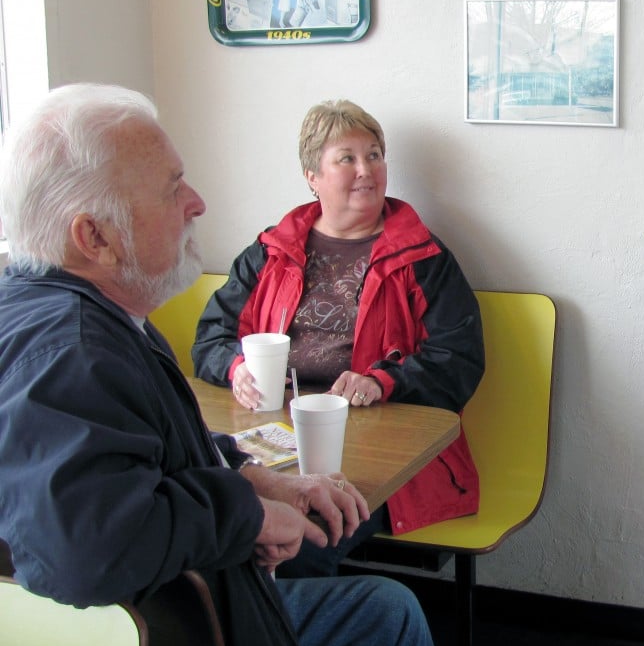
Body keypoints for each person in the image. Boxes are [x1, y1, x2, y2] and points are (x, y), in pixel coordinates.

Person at [0, 83, 479, 646]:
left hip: (207, 599)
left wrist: (249, 478)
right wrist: (246, 512)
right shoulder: (71, 353)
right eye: (171, 187)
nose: (197, 203)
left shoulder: (97, 320)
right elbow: (85, 545)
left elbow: (154, 465)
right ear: (94, 238)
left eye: (374, 155)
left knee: (387, 604)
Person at [192, 99, 484, 573]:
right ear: (312, 175)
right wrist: (235, 366)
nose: (366, 169)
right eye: (346, 158)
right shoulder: (271, 251)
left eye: (374, 154)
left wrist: (384, 380)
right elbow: (210, 337)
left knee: (296, 544)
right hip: (274, 432)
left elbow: (460, 359)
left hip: (376, 447)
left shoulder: (423, 256)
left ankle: (297, 634)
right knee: (216, 514)